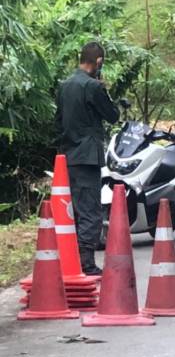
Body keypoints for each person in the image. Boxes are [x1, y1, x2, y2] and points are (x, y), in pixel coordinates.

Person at [54, 41, 120, 274]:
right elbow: (112, 115)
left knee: (72, 210)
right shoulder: (93, 87)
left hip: (67, 156)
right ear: (98, 62)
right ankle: (86, 262)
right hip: (88, 156)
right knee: (90, 210)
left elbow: (58, 121)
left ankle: (70, 258)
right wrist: (103, 88)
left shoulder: (64, 86)